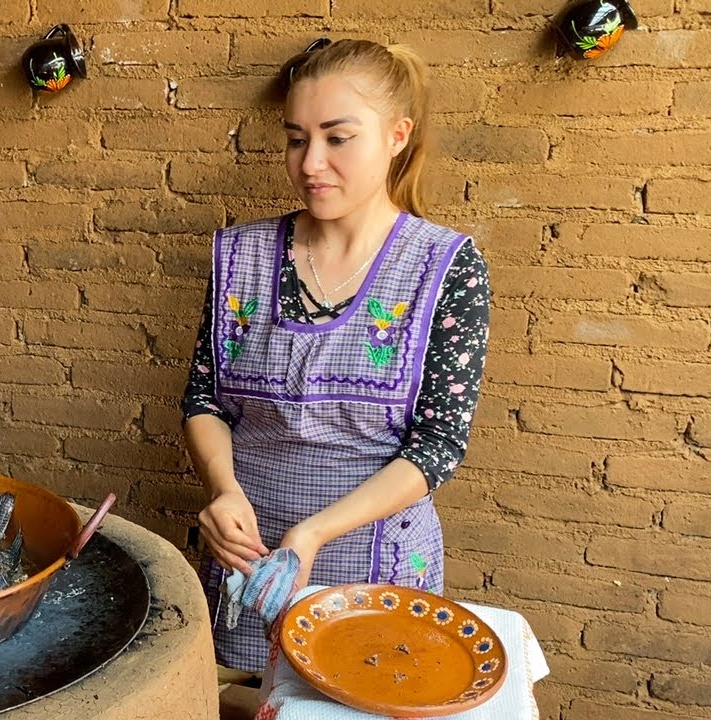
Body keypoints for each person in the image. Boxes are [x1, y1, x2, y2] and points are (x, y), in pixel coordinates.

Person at [182, 37, 491, 674]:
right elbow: (204, 397)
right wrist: (222, 489)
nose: (311, 163)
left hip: (372, 562)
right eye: (297, 138)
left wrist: (315, 533)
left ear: (397, 136)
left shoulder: (443, 267)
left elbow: (437, 445)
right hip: (248, 555)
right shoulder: (239, 256)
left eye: (337, 137)